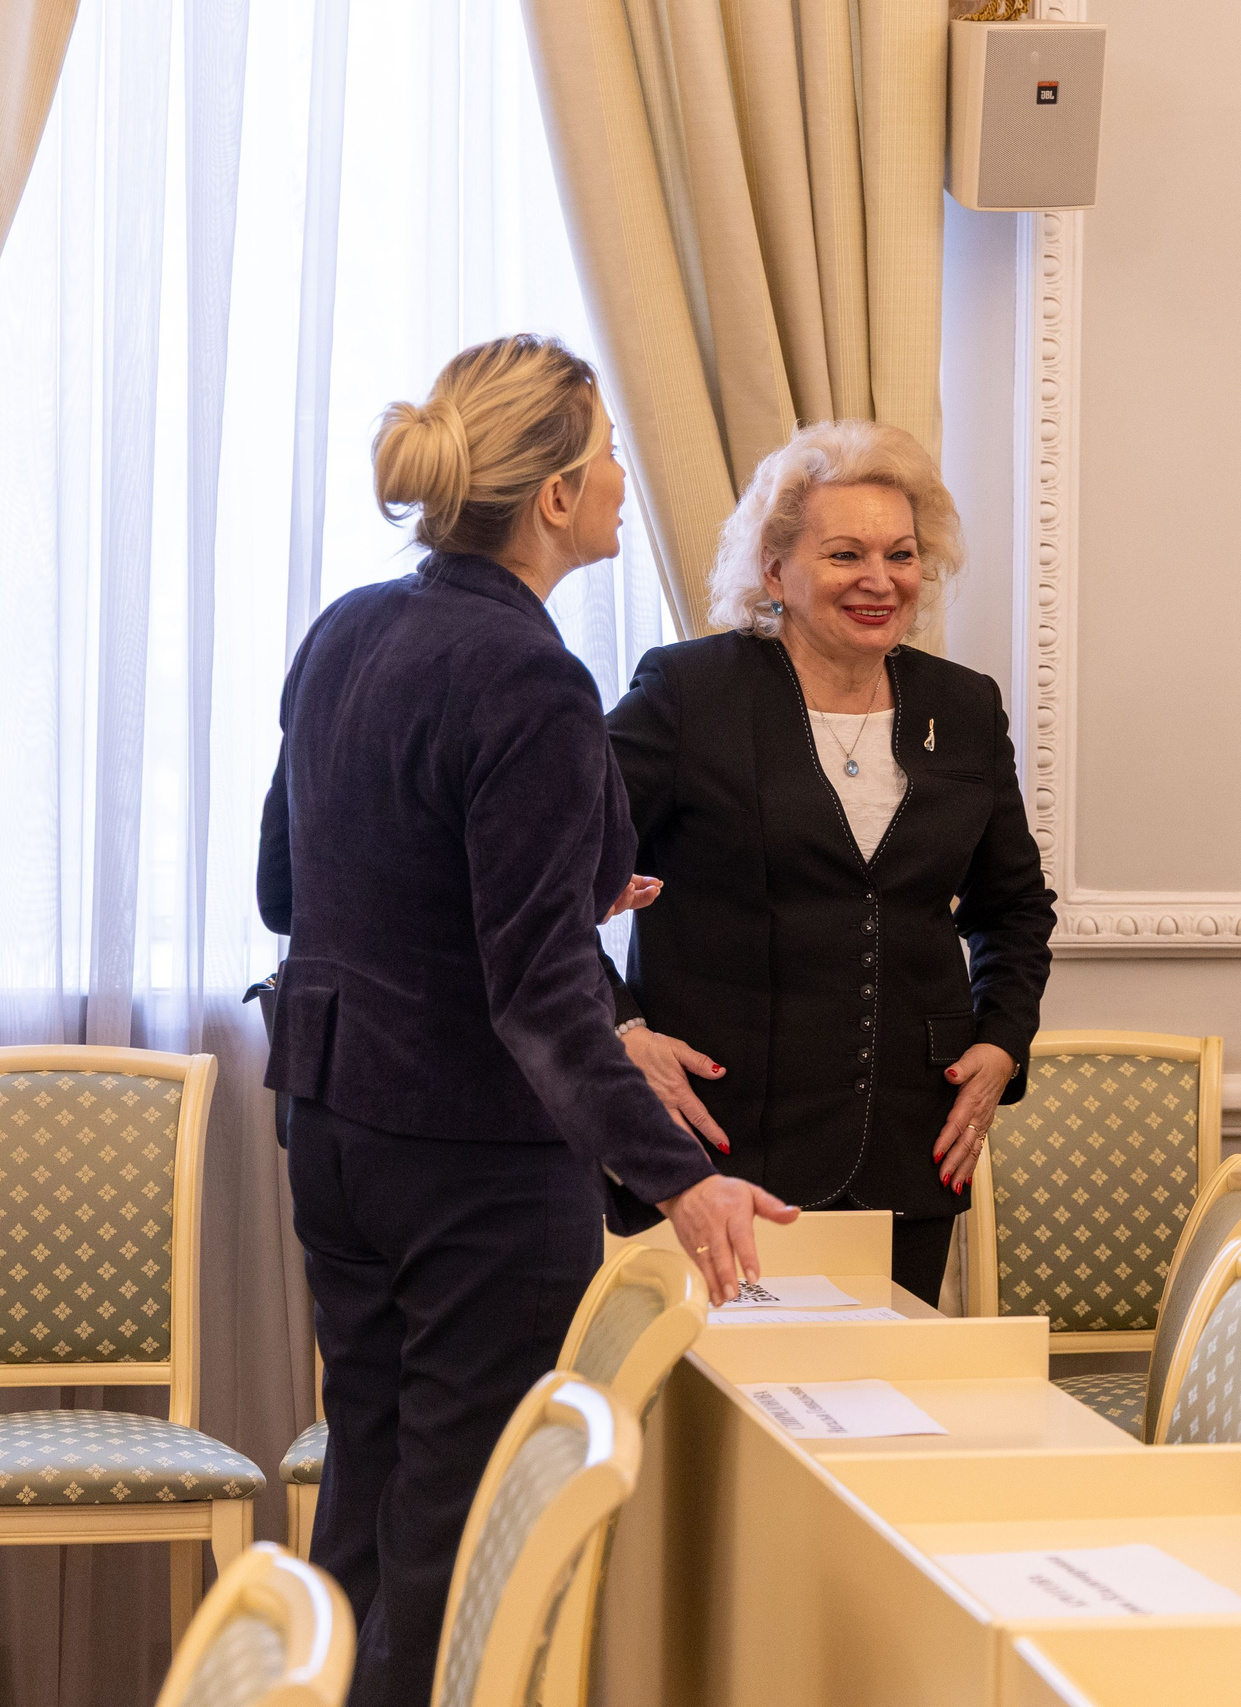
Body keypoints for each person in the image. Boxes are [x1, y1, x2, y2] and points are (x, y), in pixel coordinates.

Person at [257, 334, 796, 1706]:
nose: (624, 475)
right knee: (457, 1529)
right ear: (553, 495)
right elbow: (540, 994)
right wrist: (684, 1176)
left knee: (370, 1489)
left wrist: (550, 881)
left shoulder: (347, 631)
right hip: (469, 1161)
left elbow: (287, 882)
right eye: (608, 449)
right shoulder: (532, 678)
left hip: (331, 1124)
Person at [602, 421, 1055, 1306]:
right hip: (721, 1151)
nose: (880, 580)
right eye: (845, 553)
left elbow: (1014, 907)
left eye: (902, 554)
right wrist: (619, 1031)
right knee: (734, 1429)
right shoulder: (688, 694)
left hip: (910, 1147)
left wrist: (1003, 1041)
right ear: (775, 570)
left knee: (884, 1423)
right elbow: (547, 878)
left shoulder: (963, 708)